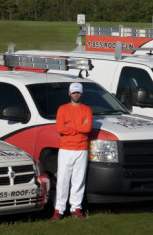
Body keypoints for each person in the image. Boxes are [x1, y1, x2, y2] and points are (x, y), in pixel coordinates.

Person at [52, 82, 92, 220]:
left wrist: (70, 126)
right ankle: (59, 209)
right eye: (74, 92)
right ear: (69, 93)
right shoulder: (62, 109)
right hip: (65, 149)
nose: (76, 94)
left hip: (81, 149)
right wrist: (78, 127)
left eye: (78, 92)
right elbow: (60, 128)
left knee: (78, 180)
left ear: (82, 93)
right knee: (62, 180)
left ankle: (76, 207)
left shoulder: (87, 110)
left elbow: (87, 128)